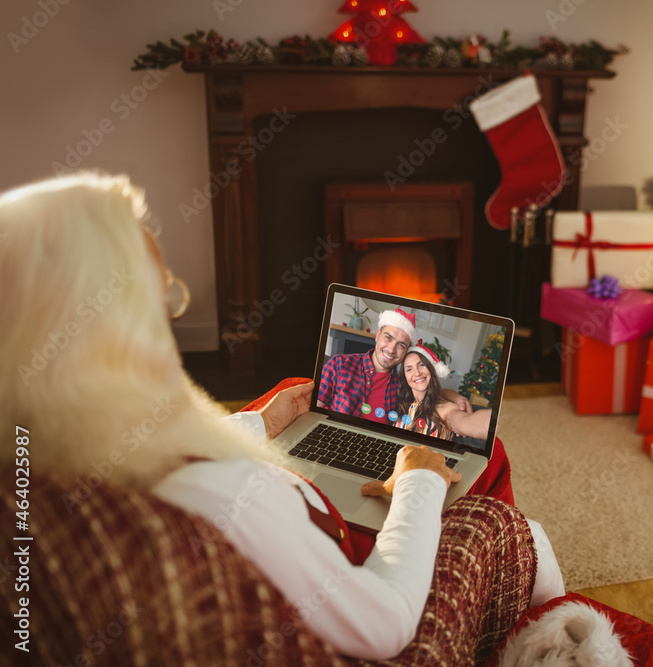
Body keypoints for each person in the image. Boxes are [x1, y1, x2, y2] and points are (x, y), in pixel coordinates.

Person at [0, 172, 564, 661]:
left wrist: (258, 425)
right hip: (374, 619)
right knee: (515, 528)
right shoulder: (218, 497)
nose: (170, 313)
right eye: (159, 299)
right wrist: (417, 478)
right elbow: (384, 624)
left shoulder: (31, 466)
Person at [316, 308, 474, 424]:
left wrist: (460, 398)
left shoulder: (403, 381)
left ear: (406, 351)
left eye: (401, 345)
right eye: (388, 337)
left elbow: (433, 390)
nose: (391, 349)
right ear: (377, 335)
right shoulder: (339, 365)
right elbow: (313, 411)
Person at [395, 343, 492, 441]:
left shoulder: (445, 408)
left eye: (421, 365)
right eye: (409, 369)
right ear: (404, 377)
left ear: (431, 369)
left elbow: (467, 422)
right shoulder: (400, 403)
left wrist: (494, 422)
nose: (417, 373)